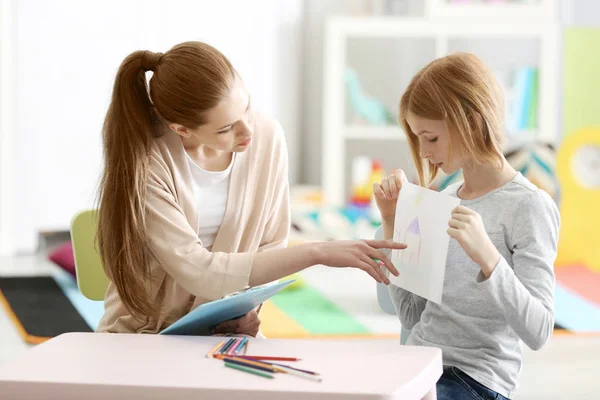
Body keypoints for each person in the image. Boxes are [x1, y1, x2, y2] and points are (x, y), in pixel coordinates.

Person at [96, 41, 405, 336]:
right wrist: (318, 252)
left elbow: (270, 244)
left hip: (219, 328)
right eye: (225, 128)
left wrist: (244, 312)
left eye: (246, 108)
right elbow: (199, 271)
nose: (248, 130)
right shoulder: (148, 164)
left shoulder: (267, 137)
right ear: (181, 129)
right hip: (146, 333)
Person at [373, 53, 559, 399]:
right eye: (417, 139)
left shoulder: (529, 206)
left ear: (472, 124)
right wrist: (391, 221)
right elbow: (412, 316)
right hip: (419, 363)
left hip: (475, 379)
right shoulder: (442, 198)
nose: (424, 152)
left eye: (431, 138)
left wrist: (489, 258)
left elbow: (539, 331)